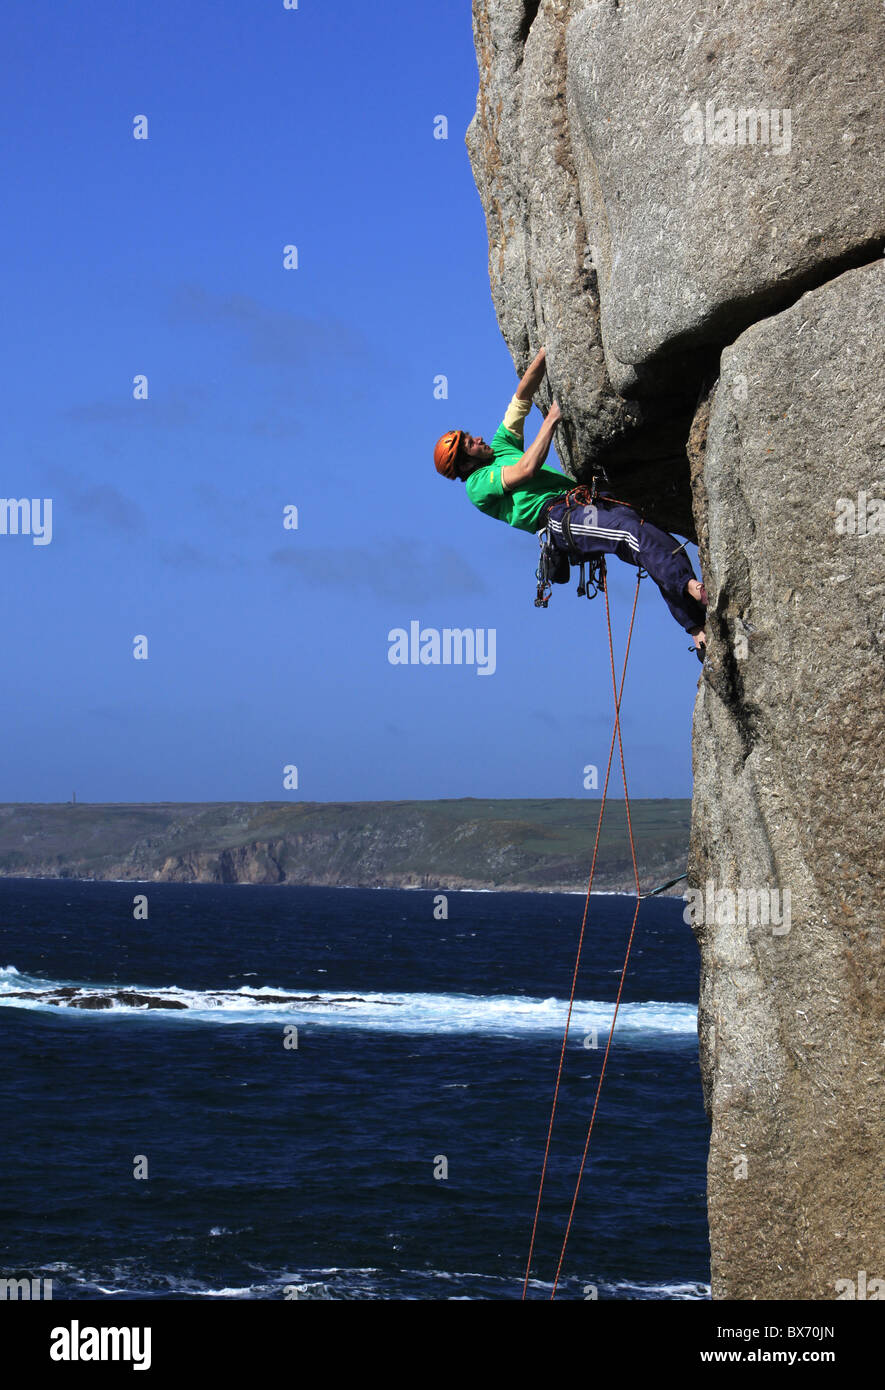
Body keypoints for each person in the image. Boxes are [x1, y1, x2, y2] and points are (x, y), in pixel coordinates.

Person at [432, 347, 708, 659]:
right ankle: (693, 588)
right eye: (470, 443)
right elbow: (526, 470)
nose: (478, 439)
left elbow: (521, 396)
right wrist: (550, 420)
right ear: (465, 464)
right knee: (628, 532)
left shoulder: (499, 445)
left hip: (580, 502)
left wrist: (545, 352)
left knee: (648, 532)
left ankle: (697, 630)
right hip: (559, 518)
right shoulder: (478, 485)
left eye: (471, 436)